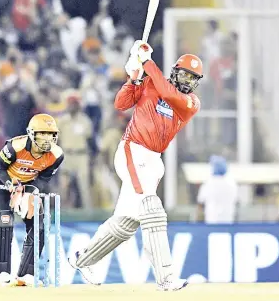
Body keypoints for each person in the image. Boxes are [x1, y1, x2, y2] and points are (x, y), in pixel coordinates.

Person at [68, 40, 203, 291]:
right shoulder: (152, 81)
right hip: (133, 149)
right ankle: (166, 278)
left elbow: (167, 93)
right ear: (174, 71)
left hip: (153, 161)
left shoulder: (191, 102)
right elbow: (121, 103)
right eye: (184, 74)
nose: (187, 81)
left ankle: (82, 259)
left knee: (126, 223)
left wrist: (146, 63)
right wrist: (134, 76)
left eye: (192, 78)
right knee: (152, 208)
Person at [0, 113, 64, 286]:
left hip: (27, 184)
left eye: (50, 135)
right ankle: (1, 273)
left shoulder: (57, 155)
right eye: (42, 134)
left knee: (40, 224)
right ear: (31, 133)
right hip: (2, 180)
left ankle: (26, 273)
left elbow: (43, 179)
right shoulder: (15, 146)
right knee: (4, 219)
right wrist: (11, 186)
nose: (47, 139)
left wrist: (29, 192)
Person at [196, 155, 238, 224]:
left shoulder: (208, 183)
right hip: (228, 220)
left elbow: (200, 202)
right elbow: (236, 200)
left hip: (212, 220)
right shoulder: (232, 184)